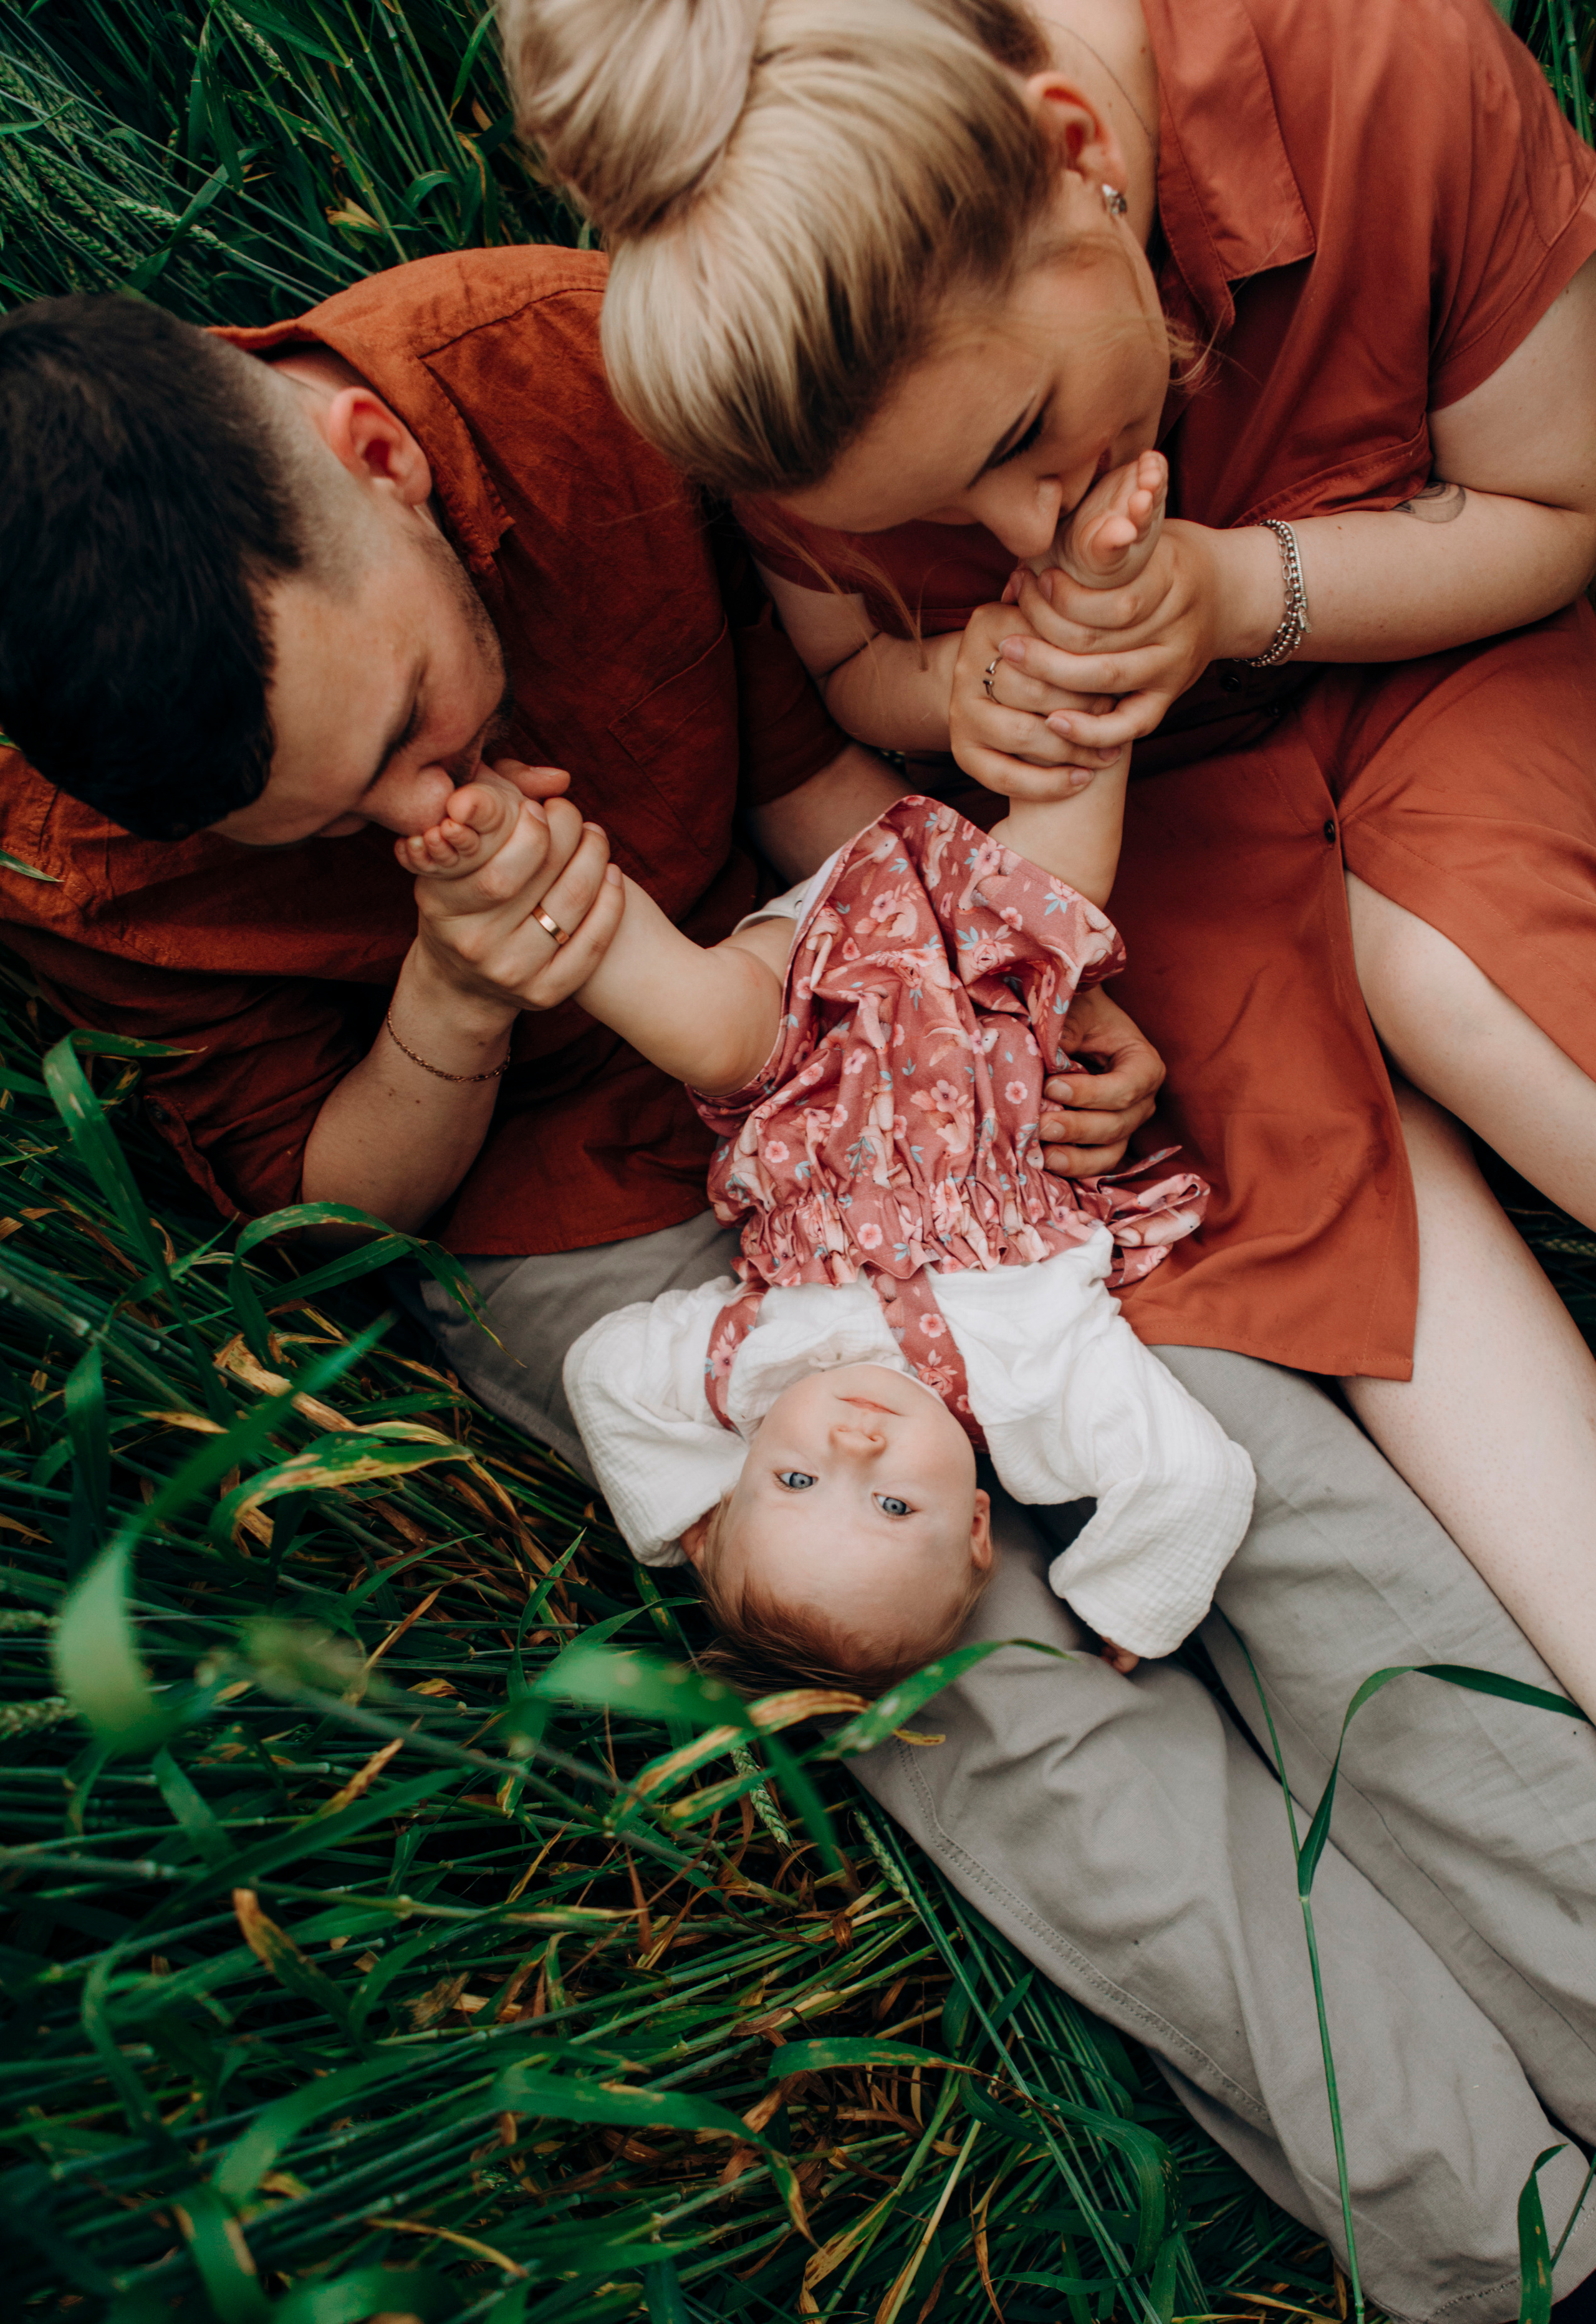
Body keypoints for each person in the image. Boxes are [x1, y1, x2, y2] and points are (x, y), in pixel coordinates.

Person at [0, 247, 1593, 2312]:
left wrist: (1011, 991)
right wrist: (455, 1002)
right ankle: (1521, 2241)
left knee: (1270, 1492)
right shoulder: (74, 844)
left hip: (864, 1050)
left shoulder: (569, 371)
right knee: (1023, 1727)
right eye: (337, 821)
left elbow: (823, 793)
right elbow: (329, 1210)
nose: (423, 809)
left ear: (375, 457)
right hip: (590, 1227)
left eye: (408, 729)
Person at [491, 0, 1596, 2313]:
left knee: (1458, 984)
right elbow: (864, 685)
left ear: (1082, 152)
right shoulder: (766, 337)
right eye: (931, 518)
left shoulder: (1374, 70)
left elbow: (1568, 506)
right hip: (1128, 878)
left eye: (1015, 445)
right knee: (1345, 1287)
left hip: (1449, 661)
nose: (1004, 535)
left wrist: (1226, 596)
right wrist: (963, 694)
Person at [410, 727, 1250, 1690]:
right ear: (979, 1522)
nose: (856, 1444)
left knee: (694, 1020)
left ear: (751, 1466)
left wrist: (682, 1511)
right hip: (976, 978)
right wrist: (1132, 1597)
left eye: (798, 1481)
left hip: (796, 1023)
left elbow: (604, 1374)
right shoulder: (1044, 1389)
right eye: (896, 1507)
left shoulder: (749, 1370)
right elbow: (1193, 1479)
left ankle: (523, 861)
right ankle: (1092, 670)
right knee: (1061, 865)